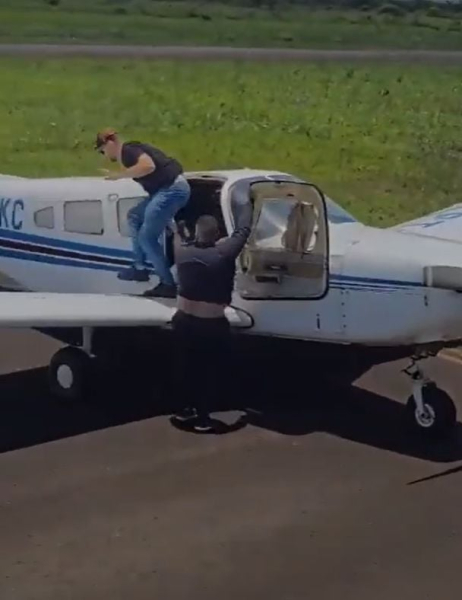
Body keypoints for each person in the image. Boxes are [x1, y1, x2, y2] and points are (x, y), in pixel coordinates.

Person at [169, 202, 252, 433]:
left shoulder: (182, 251)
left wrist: (180, 226)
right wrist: (247, 203)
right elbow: (243, 231)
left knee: (184, 366)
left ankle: (182, 408)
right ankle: (204, 418)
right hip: (210, 324)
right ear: (217, 236)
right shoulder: (223, 254)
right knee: (208, 371)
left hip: (183, 320)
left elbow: (176, 233)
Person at [95, 128, 190, 298]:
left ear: (109, 143)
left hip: (171, 190)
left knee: (147, 238)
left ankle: (168, 285)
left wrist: (120, 175)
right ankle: (139, 268)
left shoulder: (127, 151)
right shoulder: (130, 151)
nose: (104, 155)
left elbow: (148, 166)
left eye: (102, 151)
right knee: (134, 216)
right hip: (166, 190)